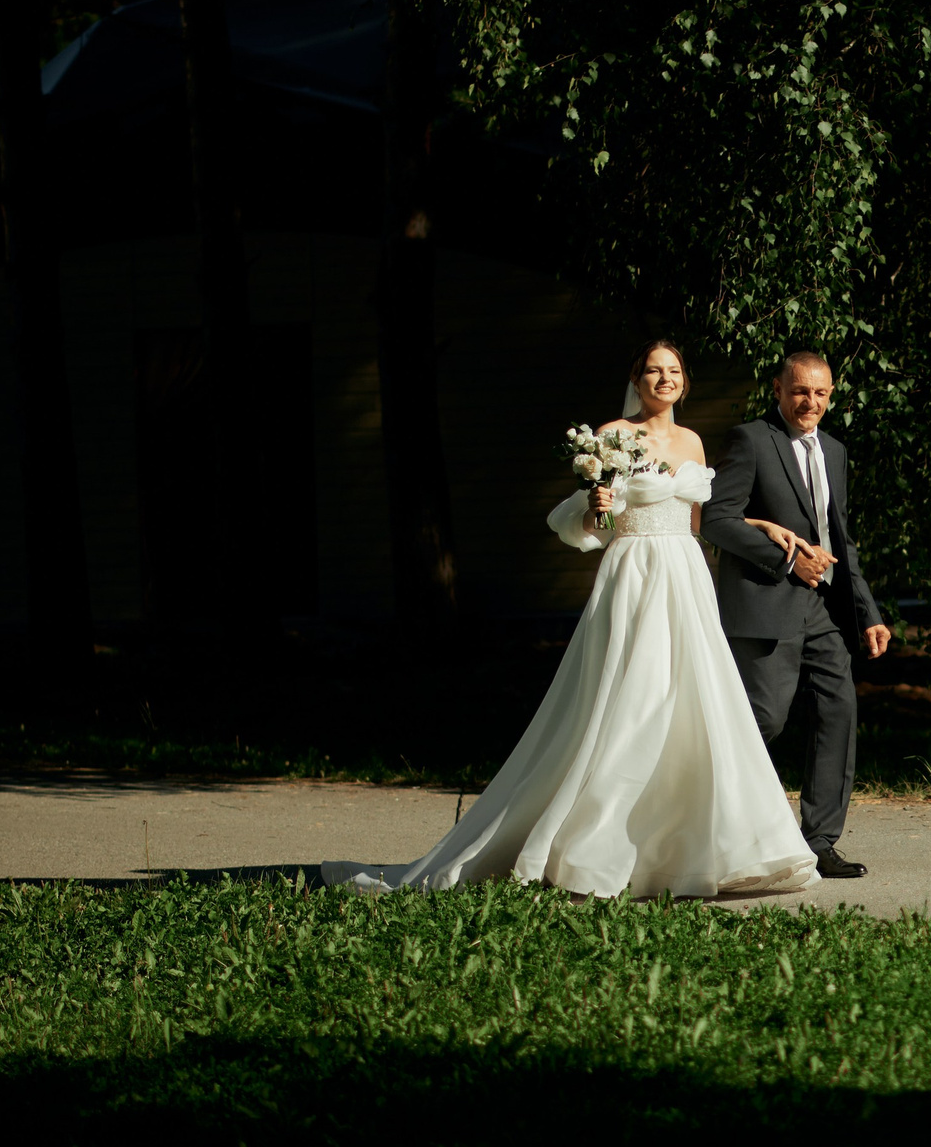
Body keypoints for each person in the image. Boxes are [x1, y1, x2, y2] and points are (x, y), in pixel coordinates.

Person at [322, 341, 821, 901]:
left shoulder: (693, 441)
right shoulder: (613, 434)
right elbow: (594, 522)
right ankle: (590, 849)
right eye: (654, 371)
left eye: (674, 371)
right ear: (637, 379)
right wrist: (597, 504)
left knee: (691, 701)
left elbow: (704, 518)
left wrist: (764, 526)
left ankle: (689, 848)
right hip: (635, 572)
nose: (665, 379)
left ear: (685, 382)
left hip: (686, 574)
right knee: (629, 700)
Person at [703, 350, 892, 879]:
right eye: (800, 391)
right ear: (779, 390)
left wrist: (868, 612)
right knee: (763, 721)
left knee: (839, 711)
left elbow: (839, 540)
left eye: (821, 393)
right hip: (765, 603)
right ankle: (715, 828)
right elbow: (717, 520)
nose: (811, 402)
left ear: (831, 396)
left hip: (824, 608)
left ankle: (819, 842)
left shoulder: (834, 450)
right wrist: (787, 555)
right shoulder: (750, 440)